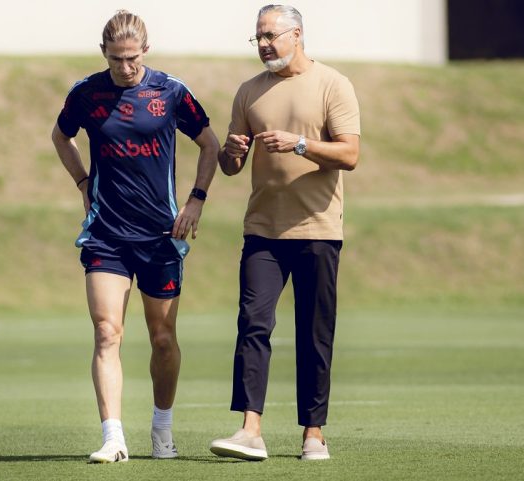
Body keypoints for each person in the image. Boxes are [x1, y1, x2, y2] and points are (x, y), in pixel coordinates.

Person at [51, 10, 219, 463]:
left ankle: (162, 430)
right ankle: (113, 437)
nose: (124, 67)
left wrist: (196, 199)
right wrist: (84, 185)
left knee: (162, 337)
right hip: (107, 234)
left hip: (161, 235)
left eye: (131, 58)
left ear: (145, 50)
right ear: (102, 53)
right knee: (107, 332)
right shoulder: (86, 94)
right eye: (115, 59)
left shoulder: (171, 92)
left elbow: (209, 143)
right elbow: (60, 136)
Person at [208, 4, 360, 462]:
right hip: (263, 231)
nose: (264, 44)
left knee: (314, 334)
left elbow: (350, 154)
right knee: (253, 325)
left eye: (271, 35)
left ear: (297, 34)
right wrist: (232, 152)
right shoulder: (249, 91)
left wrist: (298, 143)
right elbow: (231, 167)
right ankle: (250, 430)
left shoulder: (333, 83)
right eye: (258, 37)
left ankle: (314, 434)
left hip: (317, 228)